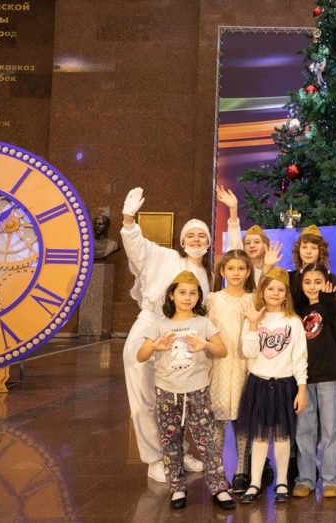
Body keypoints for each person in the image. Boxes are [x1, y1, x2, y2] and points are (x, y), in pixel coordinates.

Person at [120, 187, 209, 482]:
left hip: (182, 337)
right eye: (190, 235)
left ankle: (178, 452)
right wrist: (128, 219)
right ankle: (155, 458)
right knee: (145, 398)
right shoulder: (166, 257)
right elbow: (138, 248)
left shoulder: (208, 274)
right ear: (182, 241)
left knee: (178, 400)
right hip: (150, 328)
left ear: (208, 242)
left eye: (201, 236)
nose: (196, 240)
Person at [136, 271, 235, 510]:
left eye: (192, 293)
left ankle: (219, 488)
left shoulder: (203, 323)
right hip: (167, 392)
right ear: (172, 295)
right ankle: (177, 487)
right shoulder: (160, 324)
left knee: (207, 441)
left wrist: (206, 345)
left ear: (198, 297)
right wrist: (155, 346)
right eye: (182, 292)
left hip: (197, 390)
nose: (187, 297)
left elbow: (222, 351)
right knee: (170, 441)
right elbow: (141, 356)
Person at [236, 267, 308, 504]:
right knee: (258, 437)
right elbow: (249, 351)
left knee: (282, 437)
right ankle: (255, 482)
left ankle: (282, 481)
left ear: (286, 294)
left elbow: (299, 358)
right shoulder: (253, 319)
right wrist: (253, 325)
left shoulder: (294, 322)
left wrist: (301, 388)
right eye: (271, 289)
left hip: (284, 385)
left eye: (281, 289)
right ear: (262, 292)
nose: (275, 293)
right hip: (258, 384)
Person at [205, 250, 256, 494]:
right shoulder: (213, 299)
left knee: (243, 420)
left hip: (245, 364)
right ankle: (216, 472)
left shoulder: (253, 299)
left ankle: (241, 471)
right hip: (219, 365)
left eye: (241, 269)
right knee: (217, 419)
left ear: (248, 272)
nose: (236, 273)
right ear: (223, 271)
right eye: (231, 268)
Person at [293, 263, 336, 499]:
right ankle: (305, 478)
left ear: (326, 283)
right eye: (307, 282)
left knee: (331, 430)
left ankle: (331, 479)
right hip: (304, 378)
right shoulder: (299, 310)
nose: (312, 287)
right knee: (305, 430)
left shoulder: (330, 305)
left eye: (318, 282)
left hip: (330, 377)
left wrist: (326, 295)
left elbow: (333, 314)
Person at [218, 185, 283, 284]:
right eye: (247, 243)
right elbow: (234, 234)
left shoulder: (274, 271)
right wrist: (233, 209)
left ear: (265, 245)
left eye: (257, 242)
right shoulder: (240, 269)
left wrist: (267, 266)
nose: (252, 245)